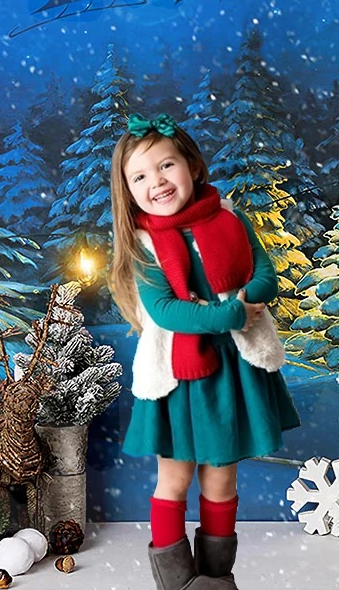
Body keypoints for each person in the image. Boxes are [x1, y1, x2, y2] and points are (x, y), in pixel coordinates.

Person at [108, 113, 301, 590]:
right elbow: (167, 310)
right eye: (140, 176)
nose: (157, 182)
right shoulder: (143, 244)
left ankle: (215, 581)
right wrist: (231, 312)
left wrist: (239, 301)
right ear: (127, 190)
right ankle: (177, 584)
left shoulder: (230, 217)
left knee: (221, 481)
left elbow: (264, 275)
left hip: (232, 370)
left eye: (166, 166)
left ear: (192, 166)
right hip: (179, 375)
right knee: (174, 480)